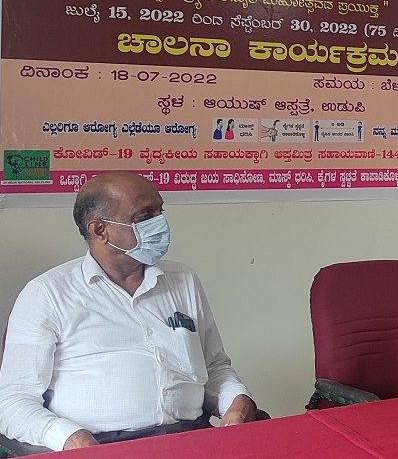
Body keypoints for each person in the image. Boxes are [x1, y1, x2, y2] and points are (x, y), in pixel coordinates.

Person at [0, 172, 258, 452]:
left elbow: (214, 367)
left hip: (192, 438)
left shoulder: (183, 280)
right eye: (144, 216)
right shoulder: (47, 294)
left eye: (160, 212)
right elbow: (12, 402)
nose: (160, 224)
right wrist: (70, 438)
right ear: (100, 230)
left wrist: (237, 400)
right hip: (102, 446)